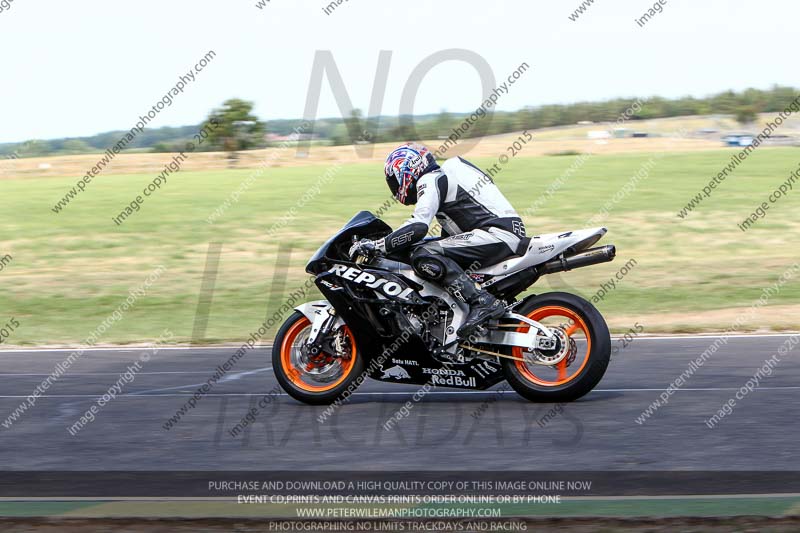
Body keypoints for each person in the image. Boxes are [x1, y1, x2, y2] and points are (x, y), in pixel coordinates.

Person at [348, 142, 527, 337]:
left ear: (406, 169)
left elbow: (418, 227)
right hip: (499, 233)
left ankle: (481, 301)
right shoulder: (449, 176)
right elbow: (448, 239)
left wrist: (377, 246)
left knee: (423, 253)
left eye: (393, 180)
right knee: (428, 250)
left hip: (496, 234)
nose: (394, 186)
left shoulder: (431, 179)